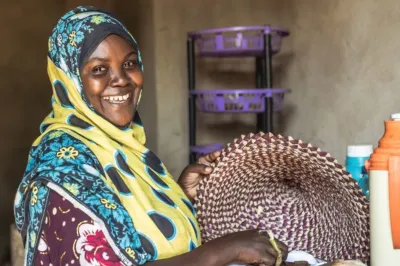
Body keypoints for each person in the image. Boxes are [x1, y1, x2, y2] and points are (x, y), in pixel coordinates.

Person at [14, 6, 288, 266]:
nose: (121, 79)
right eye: (99, 69)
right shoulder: (60, 172)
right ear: (69, 80)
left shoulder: (127, 149)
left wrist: (176, 198)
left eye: (130, 63)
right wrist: (224, 249)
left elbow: (131, 234)